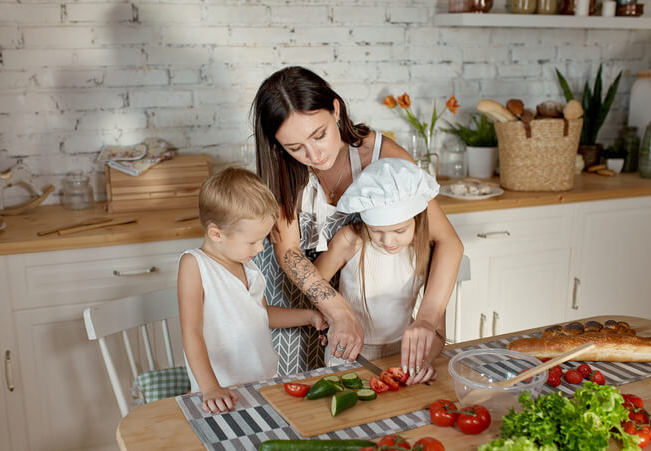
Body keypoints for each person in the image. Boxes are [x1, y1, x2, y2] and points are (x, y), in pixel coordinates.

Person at [251, 65, 463, 376]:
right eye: (295, 148)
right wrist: (336, 310)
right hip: (293, 311)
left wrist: (429, 318)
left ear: (336, 109)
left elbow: (446, 241)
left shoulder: (386, 160)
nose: (314, 154)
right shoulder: (281, 170)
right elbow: (289, 253)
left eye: (319, 135)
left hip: (375, 325)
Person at [178, 168, 327, 413]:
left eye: (263, 239)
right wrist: (210, 388)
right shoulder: (195, 265)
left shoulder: (249, 265)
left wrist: (308, 316)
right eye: (252, 241)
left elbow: (262, 314)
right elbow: (191, 331)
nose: (260, 248)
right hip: (219, 394)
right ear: (217, 233)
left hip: (261, 382)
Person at [315, 158, 447, 384]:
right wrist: (329, 316)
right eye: (376, 231)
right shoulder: (351, 239)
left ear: (418, 219)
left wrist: (425, 359)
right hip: (348, 352)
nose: (388, 241)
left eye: (400, 230)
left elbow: (438, 332)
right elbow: (313, 284)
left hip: (402, 352)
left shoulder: (428, 252)